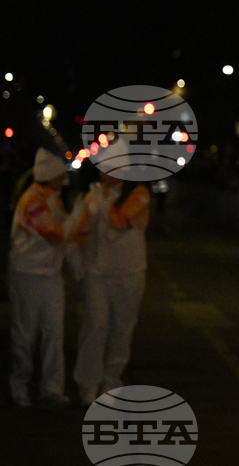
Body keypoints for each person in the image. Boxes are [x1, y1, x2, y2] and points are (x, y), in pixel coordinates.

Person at [8, 148, 85, 408]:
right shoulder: (32, 202)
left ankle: (52, 390)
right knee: (25, 334)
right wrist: (78, 214)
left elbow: (67, 237)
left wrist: (78, 267)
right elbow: (57, 235)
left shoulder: (53, 199)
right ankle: (19, 389)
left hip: (50, 278)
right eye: (59, 176)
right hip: (27, 277)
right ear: (50, 176)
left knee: (54, 334)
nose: (63, 180)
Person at [72, 171, 151, 406]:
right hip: (97, 272)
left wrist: (100, 202)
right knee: (95, 326)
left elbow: (118, 221)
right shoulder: (92, 196)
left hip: (130, 272)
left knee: (122, 328)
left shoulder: (139, 193)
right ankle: (88, 384)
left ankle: (111, 381)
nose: (103, 173)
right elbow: (81, 230)